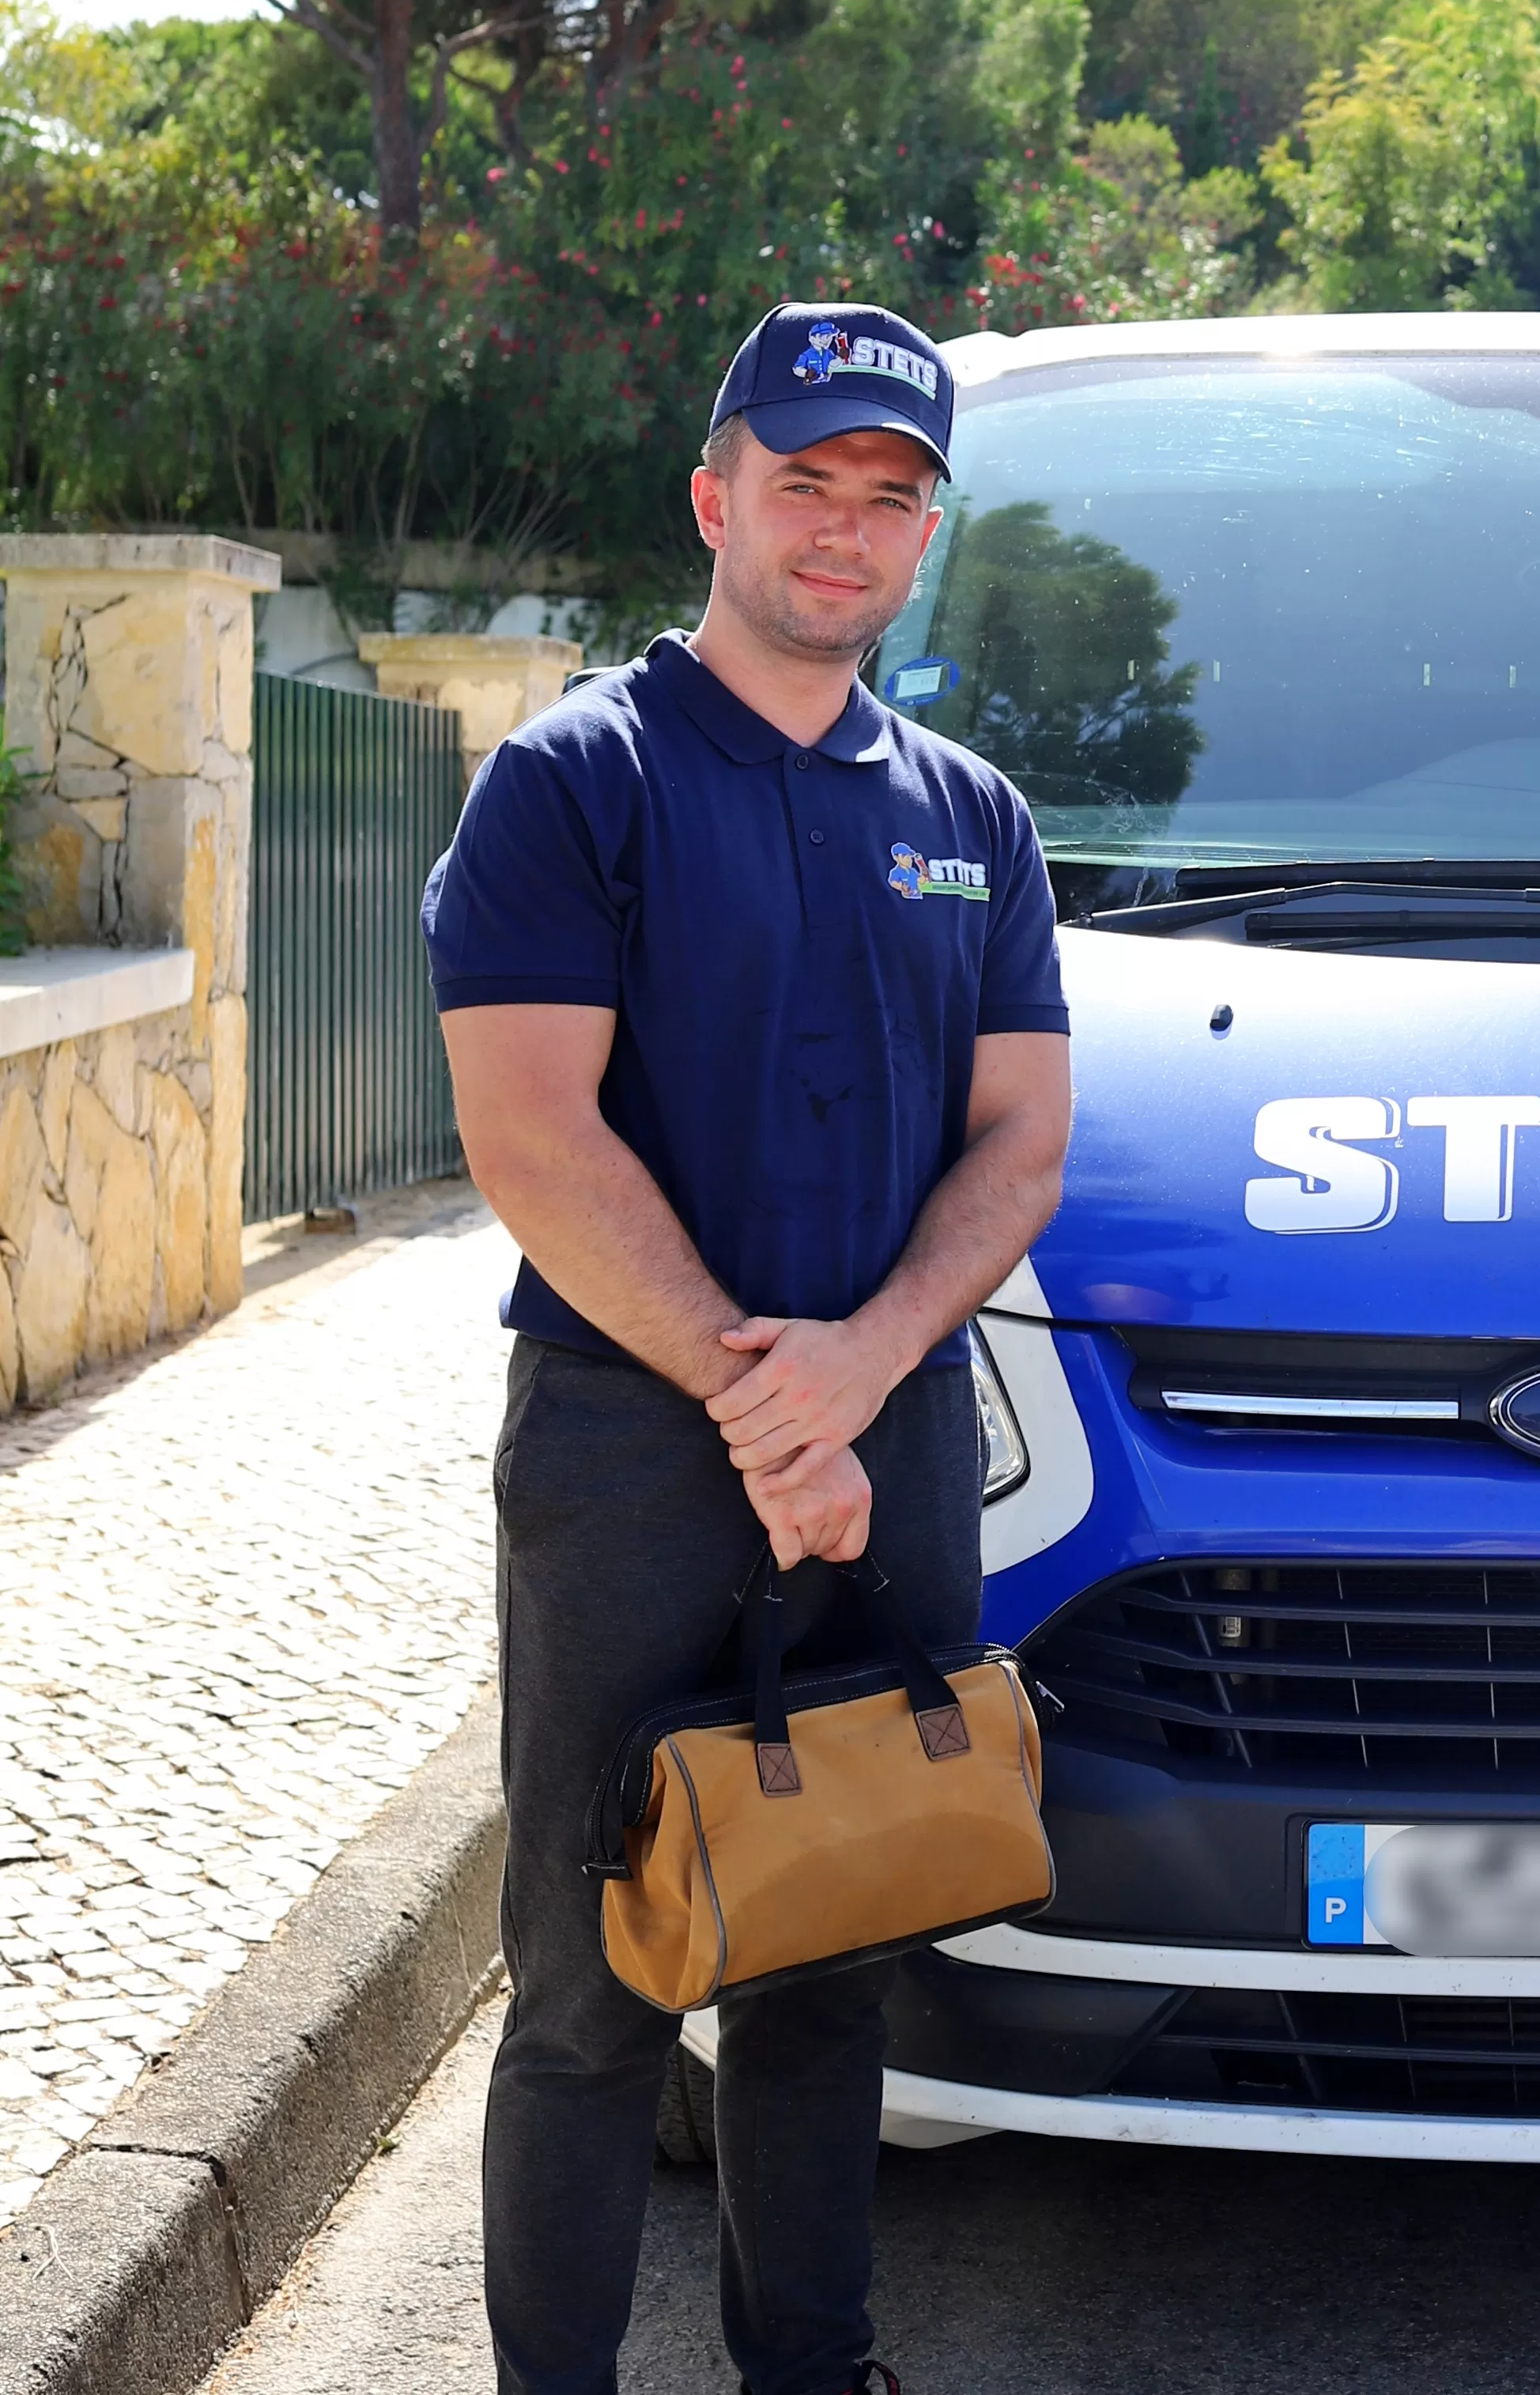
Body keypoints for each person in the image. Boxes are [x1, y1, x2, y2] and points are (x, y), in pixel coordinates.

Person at [422, 303, 1071, 2395]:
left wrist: (860, 1365)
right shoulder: (573, 780)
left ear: (924, 542)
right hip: (627, 1453)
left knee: (829, 1947)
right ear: (718, 498)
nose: (848, 530)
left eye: (894, 498)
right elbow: (529, 1133)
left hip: (886, 1445)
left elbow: (1021, 1144)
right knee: (592, 1981)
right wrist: (752, 1394)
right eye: (809, 483)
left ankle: (818, 2369)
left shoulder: (977, 816)